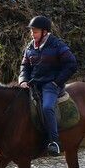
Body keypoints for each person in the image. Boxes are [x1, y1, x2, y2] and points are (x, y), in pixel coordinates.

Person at [19, 15, 78, 156]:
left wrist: (56, 82)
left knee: (46, 107)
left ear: (45, 32)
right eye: (31, 31)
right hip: (33, 84)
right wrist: (22, 80)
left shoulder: (57, 45)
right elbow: (24, 66)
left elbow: (71, 64)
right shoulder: (30, 47)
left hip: (51, 85)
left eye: (35, 32)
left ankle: (54, 141)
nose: (32, 34)